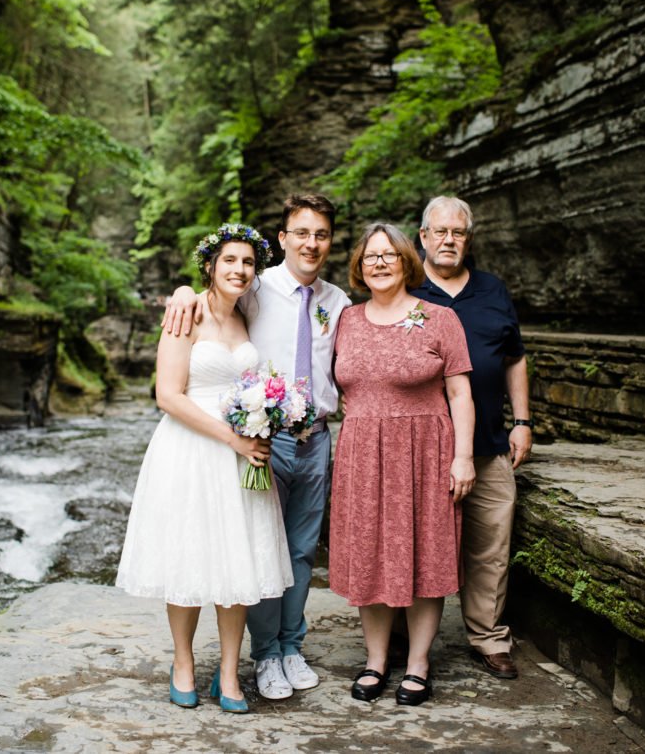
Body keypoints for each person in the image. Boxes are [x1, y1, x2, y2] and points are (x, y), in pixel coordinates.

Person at [163, 194, 351, 700]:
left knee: (300, 550)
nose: (311, 243)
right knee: (259, 548)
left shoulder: (339, 303)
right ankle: (266, 653)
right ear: (283, 239)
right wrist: (183, 289)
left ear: (330, 242)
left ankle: (292, 646)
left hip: (316, 439)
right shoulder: (256, 287)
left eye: (322, 234)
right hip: (262, 439)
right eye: (301, 233)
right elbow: (209, 303)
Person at [116, 223, 294, 714]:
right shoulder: (186, 312)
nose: (240, 270)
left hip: (243, 456)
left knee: (238, 562)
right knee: (189, 558)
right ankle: (183, 664)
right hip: (191, 450)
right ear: (210, 266)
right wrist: (234, 437)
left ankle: (231, 674)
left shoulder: (248, 317)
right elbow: (167, 395)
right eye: (230, 261)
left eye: (249, 263)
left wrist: (264, 421)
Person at [330, 222, 475, 706]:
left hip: (424, 452)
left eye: (390, 255)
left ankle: (418, 663)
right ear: (359, 266)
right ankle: (375, 660)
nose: (380, 263)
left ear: (407, 261)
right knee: (369, 552)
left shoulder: (439, 318)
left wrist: (463, 458)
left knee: (427, 554)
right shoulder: (347, 320)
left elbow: (459, 391)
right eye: (371, 256)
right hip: (362, 455)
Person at [411, 195, 533, 680]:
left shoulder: (492, 290)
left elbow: (515, 356)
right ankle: (404, 638)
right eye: (439, 231)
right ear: (422, 237)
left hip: (487, 444)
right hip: (420, 449)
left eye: (457, 233)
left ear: (468, 239)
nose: (448, 240)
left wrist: (522, 421)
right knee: (416, 542)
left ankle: (488, 637)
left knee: (490, 545)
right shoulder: (404, 290)